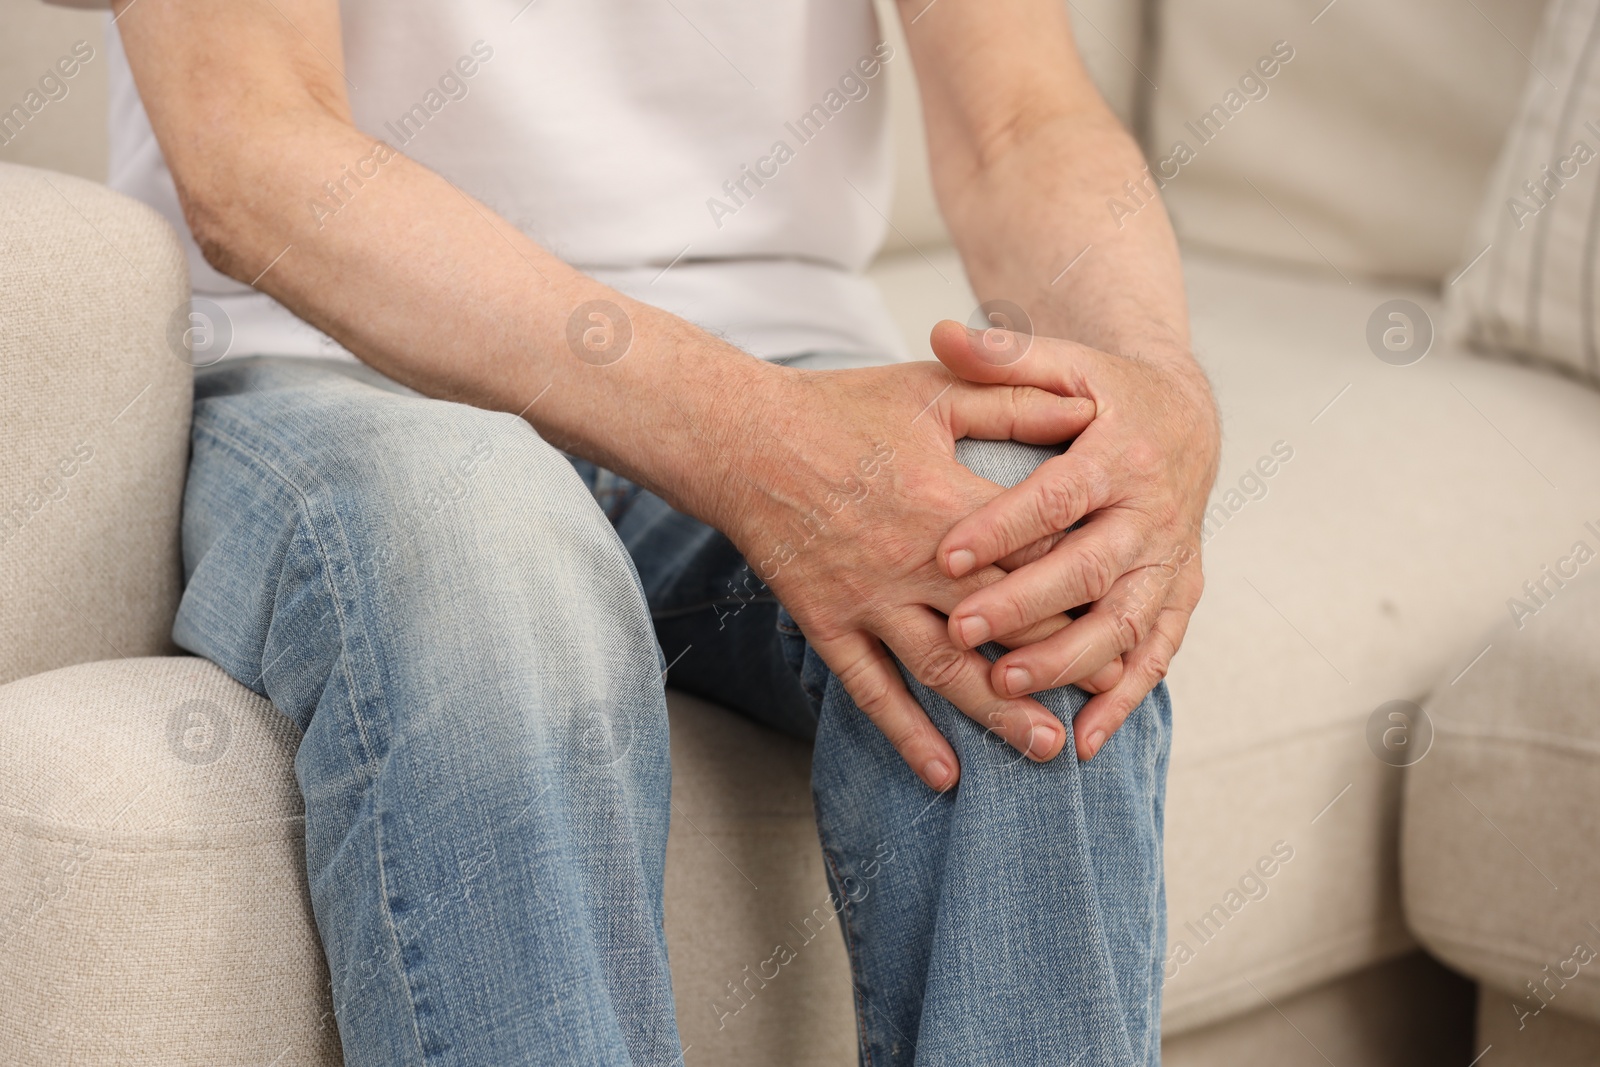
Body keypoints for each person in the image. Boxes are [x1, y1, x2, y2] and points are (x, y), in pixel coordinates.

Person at [110, 0, 1219, 1062]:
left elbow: (1017, 119)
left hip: (780, 345)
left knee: (1025, 550)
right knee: (484, 546)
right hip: (332, 359)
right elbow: (253, 152)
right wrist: (755, 443)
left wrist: (1158, 391)